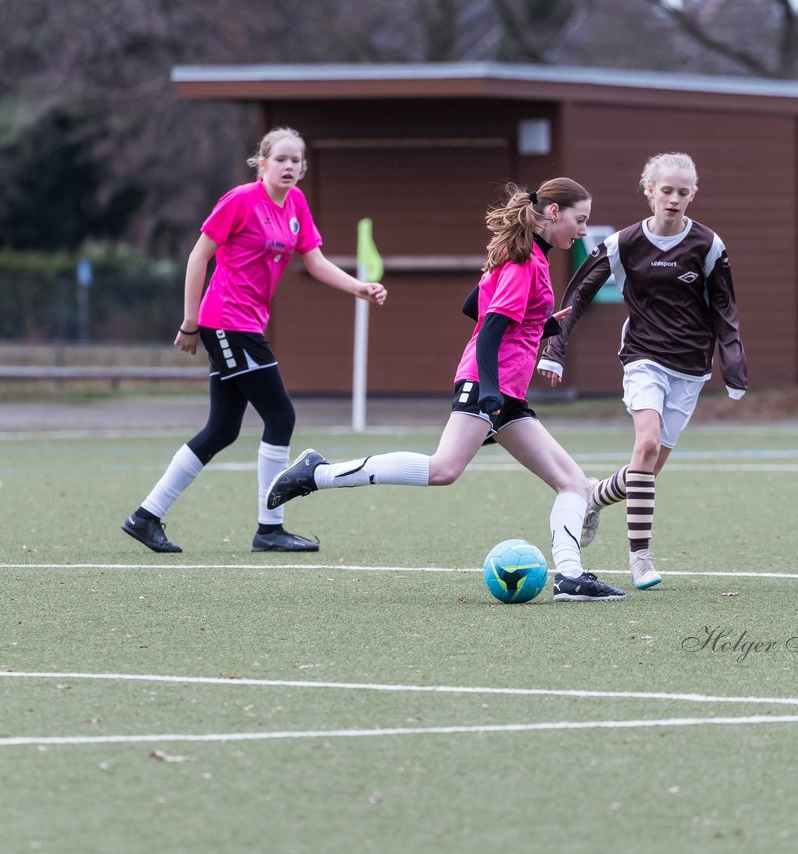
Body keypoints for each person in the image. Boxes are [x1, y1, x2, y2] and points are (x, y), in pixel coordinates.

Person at [267, 179, 627, 602]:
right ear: (553, 214)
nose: (583, 230)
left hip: (505, 390)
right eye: (579, 220)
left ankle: (569, 576)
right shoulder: (526, 261)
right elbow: (490, 329)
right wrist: (490, 392)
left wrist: (537, 324)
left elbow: (472, 305)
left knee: (573, 483)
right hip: (488, 383)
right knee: (443, 469)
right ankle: (317, 472)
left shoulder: (527, 258)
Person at [122, 127, 387, 554]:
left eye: (295, 161)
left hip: (246, 325)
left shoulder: (296, 203)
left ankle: (145, 517)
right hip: (226, 321)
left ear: (302, 169)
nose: (288, 166)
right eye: (279, 159)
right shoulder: (241, 200)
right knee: (280, 416)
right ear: (261, 163)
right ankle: (270, 527)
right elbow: (198, 256)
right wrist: (190, 322)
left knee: (222, 429)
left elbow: (315, 261)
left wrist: (361, 288)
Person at [537, 152, 746, 589]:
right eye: (665, 190)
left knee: (645, 473)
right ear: (649, 191)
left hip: (690, 368)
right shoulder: (622, 244)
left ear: (693, 195)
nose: (673, 199)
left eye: (682, 192)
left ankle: (592, 496)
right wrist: (554, 349)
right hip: (643, 357)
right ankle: (641, 560)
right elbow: (577, 297)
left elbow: (725, 309)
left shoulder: (709, 246)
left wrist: (733, 363)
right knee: (646, 444)